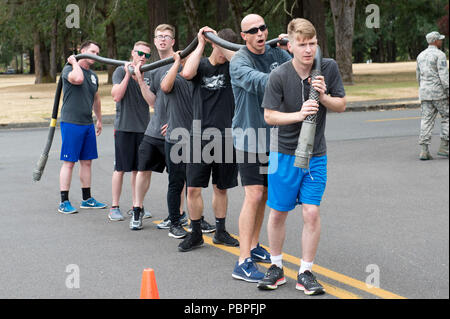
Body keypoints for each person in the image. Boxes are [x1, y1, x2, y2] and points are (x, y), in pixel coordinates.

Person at [257, 18, 346, 295]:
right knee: (278, 213)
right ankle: (276, 267)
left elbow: (341, 104)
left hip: (315, 154)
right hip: (283, 154)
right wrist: (300, 113)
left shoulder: (327, 68)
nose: (308, 50)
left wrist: (324, 96)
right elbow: (269, 115)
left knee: (311, 212)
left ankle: (305, 272)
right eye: (302, 44)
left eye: (312, 43)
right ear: (290, 46)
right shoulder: (279, 75)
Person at [229, 14, 292, 282]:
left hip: (274, 137)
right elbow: (260, 82)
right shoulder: (239, 60)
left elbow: (301, 73)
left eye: (263, 28)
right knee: (253, 194)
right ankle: (242, 262)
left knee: (265, 194)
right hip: (249, 137)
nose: (259, 33)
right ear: (244, 36)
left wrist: (294, 51)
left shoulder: (278, 55)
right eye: (252, 30)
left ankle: (253, 245)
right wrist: (287, 67)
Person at [177, 27, 240, 252]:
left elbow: (241, 61)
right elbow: (186, 73)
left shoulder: (234, 66)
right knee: (193, 188)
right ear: (213, 45)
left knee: (220, 187)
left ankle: (221, 231)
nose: (223, 54)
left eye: (227, 49)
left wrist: (225, 46)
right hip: (198, 135)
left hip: (226, 135)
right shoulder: (201, 64)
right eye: (220, 47)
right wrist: (202, 42)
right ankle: (195, 233)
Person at [131, 24, 188, 230]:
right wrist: (140, 82)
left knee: (177, 177)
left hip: (176, 131)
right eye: (159, 36)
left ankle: (178, 214)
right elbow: (153, 102)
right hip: (155, 130)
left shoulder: (181, 62)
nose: (162, 39)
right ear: (155, 41)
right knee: (143, 169)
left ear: (173, 41)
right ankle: (137, 210)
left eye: (166, 36)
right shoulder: (153, 67)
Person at [58, 40, 107, 214]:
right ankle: (64, 202)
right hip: (71, 122)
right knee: (69, 162)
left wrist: (99, 119)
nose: (96, 55)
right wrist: (73, 61)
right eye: (92, 51)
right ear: (82, 51)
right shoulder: (69, 70)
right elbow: (77, 79)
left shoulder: (93, 76)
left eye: (97, 52)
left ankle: (87, 199)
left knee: (87, 162)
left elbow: (96, 98)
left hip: (87, 123)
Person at [108, 41, 152, 221]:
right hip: (124, 127)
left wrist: (139, 78)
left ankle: (137, 206)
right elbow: (117, 95)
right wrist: (128, 74)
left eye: (147, 55)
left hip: (143, 128)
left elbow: (152, 101)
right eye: (140, 53)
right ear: (132, 53)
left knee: (138, 170)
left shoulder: (148, 73)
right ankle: (114, 206)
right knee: (120, 169)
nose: (142, 57)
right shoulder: (120, 70)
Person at [159, 51, 193, 239]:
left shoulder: (196, 80)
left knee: (194, 184)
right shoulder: (175, 78)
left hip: (196, 139)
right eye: (187, 60)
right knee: (176, 183)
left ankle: (196, 219)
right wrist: (177, 62)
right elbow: (165, 86)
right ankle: (174, 223)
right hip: (176, 140)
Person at [416, 31, 449, 160]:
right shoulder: (440, 55)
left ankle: (424, 150)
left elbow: (418, 76)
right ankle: (445, 146)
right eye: (440, 39)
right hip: (439, 93)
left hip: (425, 92)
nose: (441, 41)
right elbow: (444, 77)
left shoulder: (420, 55)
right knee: (447, 116)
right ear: (435, 41)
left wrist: (422, 89)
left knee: (426, 120)